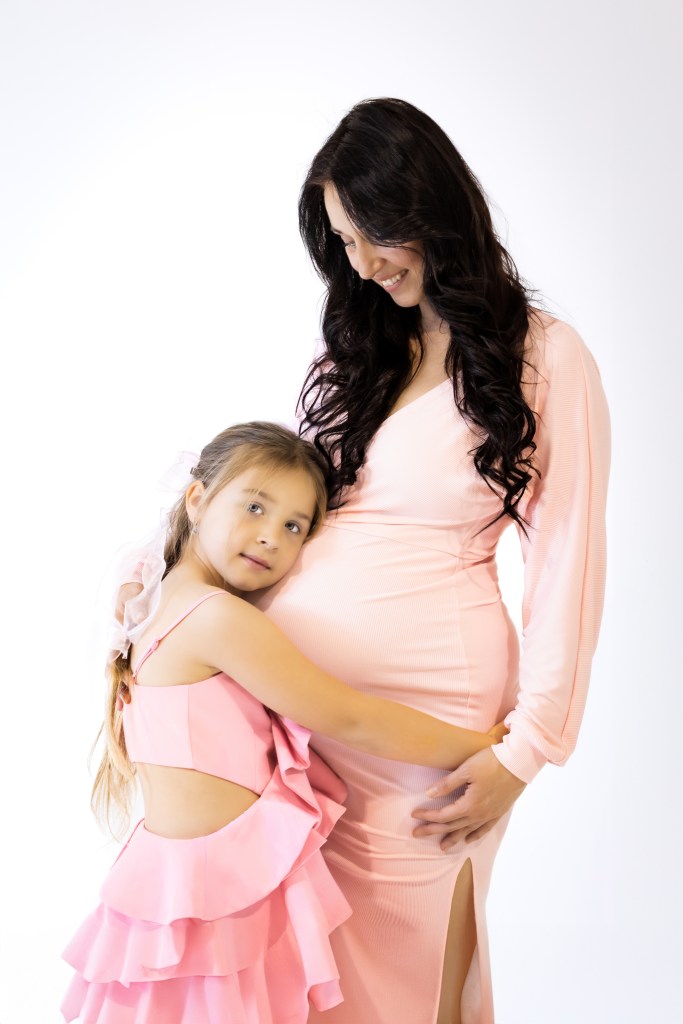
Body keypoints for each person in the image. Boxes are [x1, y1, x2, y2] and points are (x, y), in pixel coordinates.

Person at [256, 98, 611, 1024]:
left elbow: (568, 562)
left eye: (373, 234)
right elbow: (279, 499)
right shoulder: (356, 351)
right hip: (307, 726)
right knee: (319, 982)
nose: (362, 266)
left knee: (414, 981)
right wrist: (165, 569)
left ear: (428, 207)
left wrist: (526, 752)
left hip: (430, 725)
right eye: (342, 243)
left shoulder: (545, 356)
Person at [60, 421, 508, 1024]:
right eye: (254, 507)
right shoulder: (216, 619)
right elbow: (350, 716)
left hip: (178, 895)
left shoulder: (157, 599)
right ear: (197, 499)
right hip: (217, 904)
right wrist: (487, 746)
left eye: (295, 526)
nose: (271, 536)